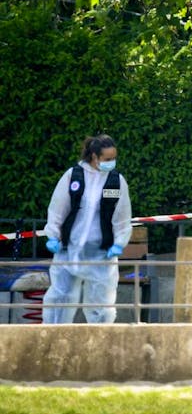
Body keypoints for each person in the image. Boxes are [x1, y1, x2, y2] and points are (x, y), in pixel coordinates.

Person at [42, 134, 132, 324]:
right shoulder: (73, 176)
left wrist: (119, 243)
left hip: (101, 253)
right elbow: (58, 208)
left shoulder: (116, 182)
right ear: (94, 156)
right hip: (69, 250)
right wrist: (53, 235)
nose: (112, 163)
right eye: (107, 159)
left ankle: (100, 345)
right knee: (60, 298)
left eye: (114, 158)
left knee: (102, 304)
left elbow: (122, 217)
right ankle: (52, 340)